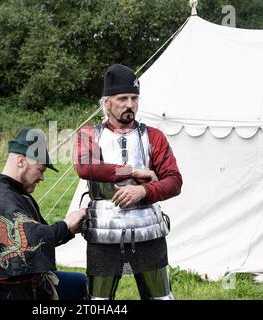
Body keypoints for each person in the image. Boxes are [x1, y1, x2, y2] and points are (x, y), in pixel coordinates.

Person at [74, 64, 183, 300]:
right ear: (107, 102)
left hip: (148, 227)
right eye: (122, 98)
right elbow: (85, 167)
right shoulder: (88, 134)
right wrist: (132, 170)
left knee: (161, 298)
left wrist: (143, 191)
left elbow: (174, 181)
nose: (130, 104)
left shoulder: (153, 136)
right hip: (104, 228)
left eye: (134, 98)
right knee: (99, 302)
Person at [0, 127, 88, 300]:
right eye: (41, 170)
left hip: (32, 281)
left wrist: (72, 228)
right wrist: (66, 224)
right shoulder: (2, 198)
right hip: (10, 293)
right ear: (21, 161)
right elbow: (33, 240)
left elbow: (42, 237)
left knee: (82, 283)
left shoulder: (19, 193)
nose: (42, 177)